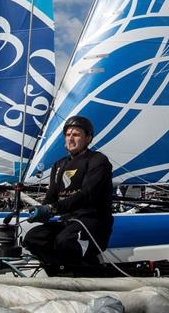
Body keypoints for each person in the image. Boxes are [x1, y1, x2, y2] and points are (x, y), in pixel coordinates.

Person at [22, 115, 113, 275]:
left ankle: (87, 270)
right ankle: (59, 271)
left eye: (76, 134)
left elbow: (86, 194)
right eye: (68, 134)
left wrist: (52, 209)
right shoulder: (59, 165)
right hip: (68, 222)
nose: (70, 138)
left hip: (92, 223)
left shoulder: (98, 160)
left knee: (66, 240)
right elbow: (51, 198)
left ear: (88, 138)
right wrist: (40, 211)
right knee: (33, 237)